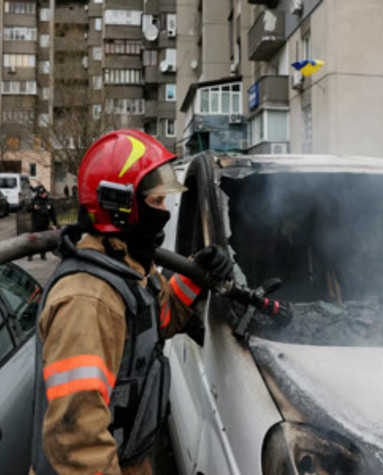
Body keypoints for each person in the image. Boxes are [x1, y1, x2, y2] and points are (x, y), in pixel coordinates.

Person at [30, 130, 234, 475]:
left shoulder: (129, 266)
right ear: (121, 207)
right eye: (155, 202)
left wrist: (195, 273)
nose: (164, 211)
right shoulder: (87, 300)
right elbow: (78, 443)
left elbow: (157, 319)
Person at [26, 186, 58, 261]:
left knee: (44, 241)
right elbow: (28, 209)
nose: (42, 195)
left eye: (43, 193)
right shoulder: (35, 200)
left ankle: (43, 254)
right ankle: (30, 255)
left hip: (45, 224)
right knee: (33, 240)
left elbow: (53, 214)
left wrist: (55, 224)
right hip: (36, 224)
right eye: (40, 194)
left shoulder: (49, 201)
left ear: (46, 193)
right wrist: (33, 207)